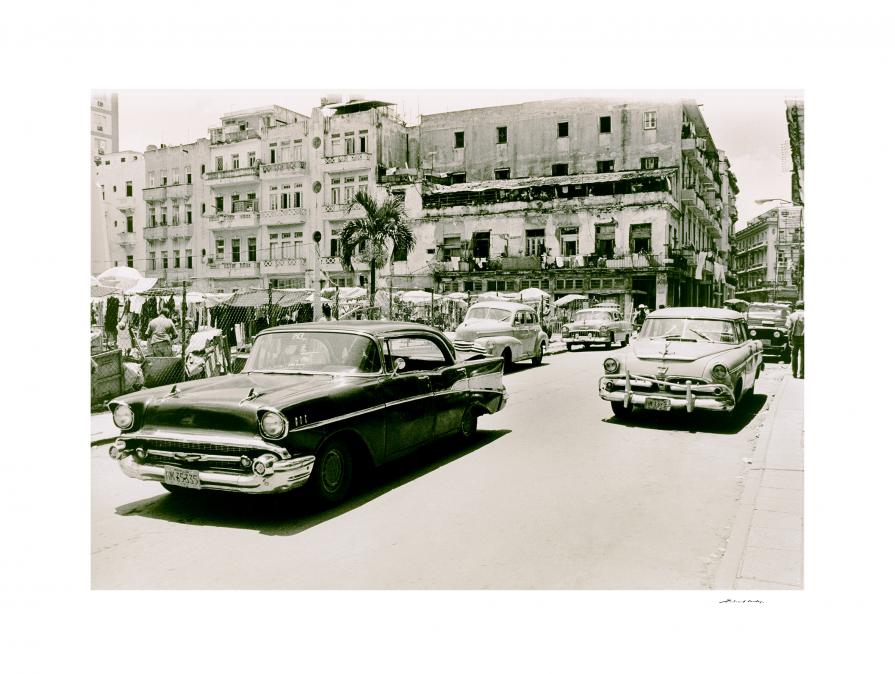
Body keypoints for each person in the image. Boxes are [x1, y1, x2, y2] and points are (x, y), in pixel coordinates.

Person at [786, 300, 805, 378]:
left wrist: (789, 339)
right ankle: (802, 374)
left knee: (794, 355)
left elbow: (789, 328)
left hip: (794, 338)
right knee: (804, 356)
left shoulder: (791, 316)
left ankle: (794, 373)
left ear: (796, 307)